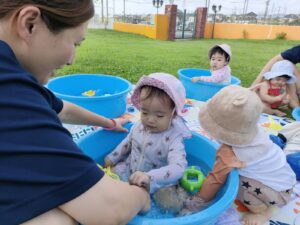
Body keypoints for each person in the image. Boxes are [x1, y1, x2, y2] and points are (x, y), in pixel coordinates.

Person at [0, 1, 150, 225]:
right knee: (59, 219)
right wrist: (142, 196)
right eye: (75, 43)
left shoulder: (16, 82)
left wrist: (108, 123)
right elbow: (112, 208)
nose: (71, 60)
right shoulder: (10, 92)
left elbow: (60, 107)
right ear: (30, 24)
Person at [182, 85, 296, 225]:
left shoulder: (229, 152)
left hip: (275, 193)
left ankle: (261, 211)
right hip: (285, 178)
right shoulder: (253, 131)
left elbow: (214, 181)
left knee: (236, 183)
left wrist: (195, 203)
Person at [104, 73, 192, 194]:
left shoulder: (174, 137)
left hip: (159, 182)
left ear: (173, 114)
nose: (150, 120)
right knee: (106, 178)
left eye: (159, 115)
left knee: (170, 203)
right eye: (145, 112)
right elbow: (126, 144)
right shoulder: (138, 126)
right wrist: (111, 159)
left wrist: (150, 177)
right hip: (130, 170)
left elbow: (178, 168)